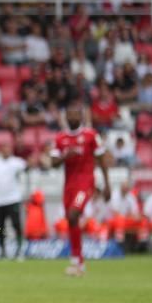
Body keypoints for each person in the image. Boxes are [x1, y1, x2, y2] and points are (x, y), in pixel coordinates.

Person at [51, 103, 111, 277]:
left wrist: (107, 185)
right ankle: (77, 263)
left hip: (85, 184)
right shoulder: (60, 138)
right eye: (69, 115)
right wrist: (65, 156)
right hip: (69, 185)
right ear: (65, 117)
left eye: (75, 115)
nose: (72, 118)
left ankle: (77, 260)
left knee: (73, 214)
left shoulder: (91, 135)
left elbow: (101, 159)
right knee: (71, 221)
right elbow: (53, 163)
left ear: (81, 117)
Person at [0, 142, 27, 260]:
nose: (6, 151)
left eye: (8, 148)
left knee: (16, 224)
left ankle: (20, 249)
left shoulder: (17, 162)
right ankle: (2, 250)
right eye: (4, 149)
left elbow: (27, 167)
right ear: (1, 151)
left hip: (13, 199)